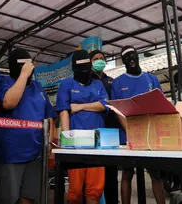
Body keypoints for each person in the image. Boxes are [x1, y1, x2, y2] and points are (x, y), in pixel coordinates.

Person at [0, 48, 56, 204]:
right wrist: (23, 75)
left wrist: (49, 142)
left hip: (35, 153)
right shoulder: (3, 81)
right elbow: (8, 103)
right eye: (24, 65)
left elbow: (49, 115)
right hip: (11, 153)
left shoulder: (38, 87)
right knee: (7, 199)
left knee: (28, 196)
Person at [111, 45, 166, 204]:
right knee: (127, 174)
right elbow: (116, 110)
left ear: (137, 56)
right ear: (123, 61)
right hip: (128, 135)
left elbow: (160, 105)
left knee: (155, 174)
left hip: (150, 135)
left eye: (133, 55)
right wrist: (130, 130)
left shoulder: (151, 79)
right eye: (126, 57)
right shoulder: (118, 82)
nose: (131, 59)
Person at [56, 50, 109, 204]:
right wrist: (65, 138)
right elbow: (64, 111)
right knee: (75, 191)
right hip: (75, 144)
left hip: (97, 142)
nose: (85, 71)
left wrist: (79, 106)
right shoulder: (66, 84)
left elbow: (104, 105)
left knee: (95, 190)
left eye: (87, 67)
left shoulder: (98, 84)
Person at [89, 49, 119, 204]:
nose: (99, 61)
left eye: (101, 58)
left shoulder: (111, 81)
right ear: (90, 62)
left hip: (110, 131)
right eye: (95, 59)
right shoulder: (87, 80)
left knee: (111, 174)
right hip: (94, 130)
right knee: (95, 173)